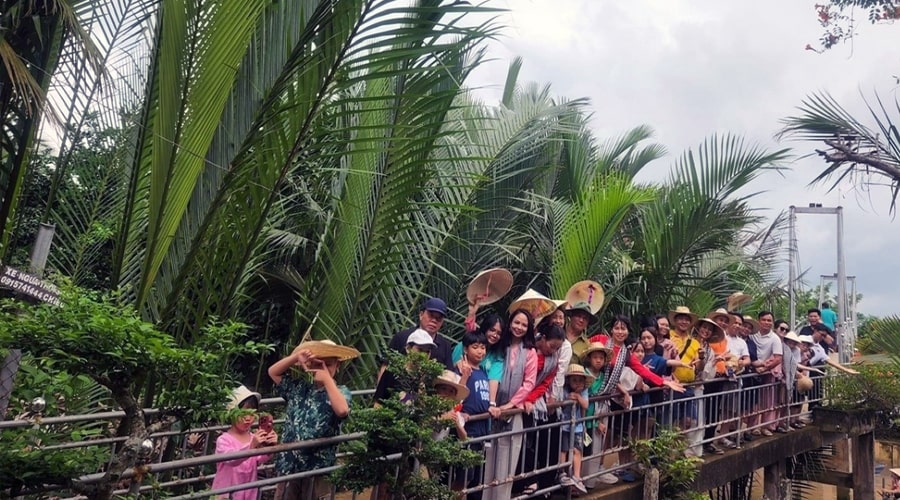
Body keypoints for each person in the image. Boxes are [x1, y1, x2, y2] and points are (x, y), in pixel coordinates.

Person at [268, 339, 358, 500]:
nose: (322, 367)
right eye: (318, 363)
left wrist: (327, 379)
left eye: (328, 364)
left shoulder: (341, 392)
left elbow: (342, 410)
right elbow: (273, 372)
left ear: (337, 366)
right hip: (290, 465)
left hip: (318, 467)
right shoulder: (299, 388)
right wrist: (296, 357)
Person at [482, 309, 538, 500]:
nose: (519, 327)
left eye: (524, 324)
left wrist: (509, 406)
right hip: (491, 410)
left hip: (513, 413)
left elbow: (529, 383)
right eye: (516, 322)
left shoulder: (530, 352)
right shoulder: (500, 346)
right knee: (488, 462)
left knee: (507, 464)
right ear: (510, 322)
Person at [211, 386, 277, 500]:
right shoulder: (224, 440)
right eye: (243, 414)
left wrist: (269, 445)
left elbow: (259, 459)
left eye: (251, 413)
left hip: (249, 491)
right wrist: (251, 446)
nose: (248, 418)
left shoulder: (252, 436)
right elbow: (231, 460)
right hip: (227, 494)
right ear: (231, 414)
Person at [454, 330, 492, 499]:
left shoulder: (483, 371)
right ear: (466, 349)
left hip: (482, 429)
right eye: (475, 347)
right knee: (464, 476)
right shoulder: (463, 370)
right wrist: (464, 376)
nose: (480, 351)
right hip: (468, 430)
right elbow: (456, 395)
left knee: (476, 477)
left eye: (483, 347)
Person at [381, 297, 454, 383]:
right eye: (431, 315)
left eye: (438, 318)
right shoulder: (402, 337)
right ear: (421, 315)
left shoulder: (445, 346)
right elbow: (386, 366)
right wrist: (380, 393)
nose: (434, 320)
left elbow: (448, 375)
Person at [582, 342, 620, 487]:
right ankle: (581, 479)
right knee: (584, 447)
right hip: (587, 415)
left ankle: (591, 480)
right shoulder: (584, 374)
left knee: (596, 447)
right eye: (595, 357)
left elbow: (614, 386)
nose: (598, 360)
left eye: (601, 358)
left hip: (601, 414)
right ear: (590, 358)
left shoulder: (605, 377)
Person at [374, 328, 437, 404]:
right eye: (420, 350)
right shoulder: (392, 373)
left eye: (427, 351)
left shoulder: (429, 378)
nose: (424, 355)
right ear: (408, 349)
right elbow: (378, 404)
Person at [557, 364, 592, 495]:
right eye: (574, 380)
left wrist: (578, 396)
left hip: (577, 426)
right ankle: (562, 473)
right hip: (564, 425)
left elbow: (585, 405)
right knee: (563, 450)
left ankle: (577, 476)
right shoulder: (564, 390)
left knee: (578, 450)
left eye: (580, 380)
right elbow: (561, 404)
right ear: (569, 380)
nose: (577, 383)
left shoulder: (584, 391)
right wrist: (568, 398)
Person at [750, 311, 783, 436]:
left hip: (767, 373)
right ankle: (752, 427)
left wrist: (764, 369)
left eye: (769, 320)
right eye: (764, 320)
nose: (766, 322)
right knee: (752, 401)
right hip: (752, 372)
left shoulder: (775, 338)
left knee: (767, 400)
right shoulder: (752, 335)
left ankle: (765, 426)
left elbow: (778, 358)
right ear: (759, 321)